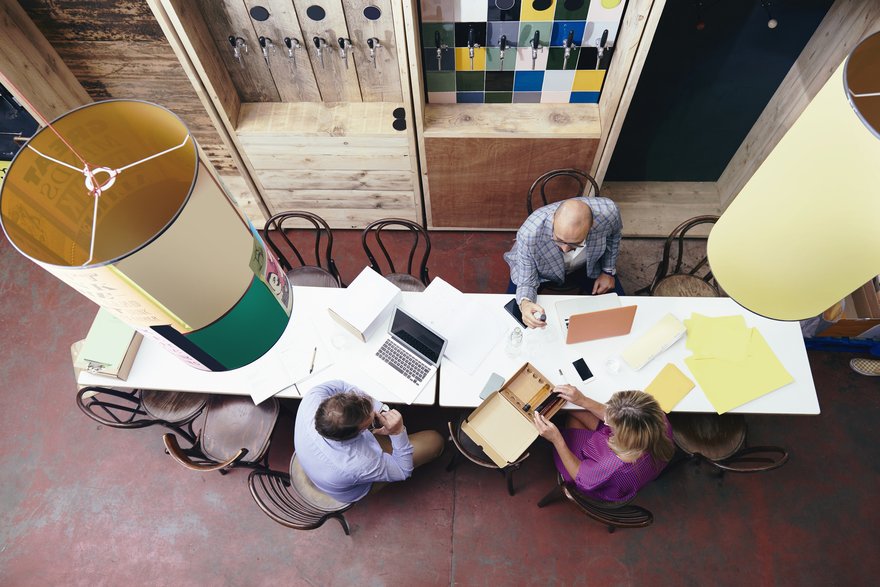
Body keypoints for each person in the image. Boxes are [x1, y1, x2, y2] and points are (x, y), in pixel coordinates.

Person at [294, 379, 444, 503]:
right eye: (370, 420)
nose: (374, 412)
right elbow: (403, 470)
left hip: (315, 460)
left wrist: (382, 408)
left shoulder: (313, 398)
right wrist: (397, 432)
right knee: (435, 440)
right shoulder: (360, 462)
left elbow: (341, 386)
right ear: (359, 433)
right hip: (350, 487)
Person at [533, 386, 674, 503]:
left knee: (570, 420)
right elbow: (617, 415)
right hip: (629, 460)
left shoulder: (610, 467)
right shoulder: (658, 420)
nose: (607, 419)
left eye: (611, 422)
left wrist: (556, 439)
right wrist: (582, 400)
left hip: (593, 478)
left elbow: (580, 478)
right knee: (575, 410)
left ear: (621, 435)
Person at [504, 196, 623, 328]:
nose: (565, 249)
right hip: (539, 270)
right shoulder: (529, 234)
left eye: (575, 243)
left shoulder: (609, 213)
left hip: (586, 266)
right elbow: (526, 281)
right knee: (514, 319)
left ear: (592, 225)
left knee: (619, 312)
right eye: (559, 240)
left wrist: (608, 271)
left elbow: (614, 236)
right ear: (553, 220)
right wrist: (525, 303)